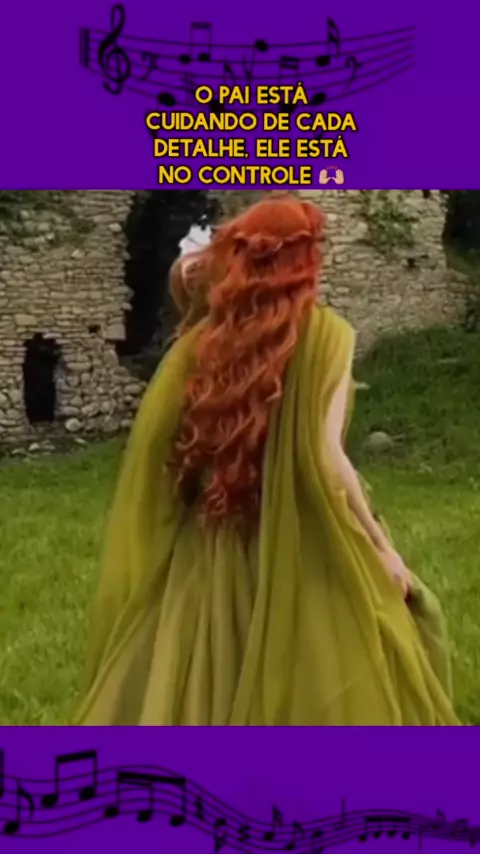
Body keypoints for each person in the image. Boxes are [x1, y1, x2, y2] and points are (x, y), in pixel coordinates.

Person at [74, 196, 460, 726]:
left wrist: (201, 265)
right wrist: (380, 545)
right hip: (300, 530)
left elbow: (183, 279)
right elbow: (327, 457)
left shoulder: (206, 338)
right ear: (305, 259)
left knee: (193, 669)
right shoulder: (328, 337)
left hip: (212, 528)